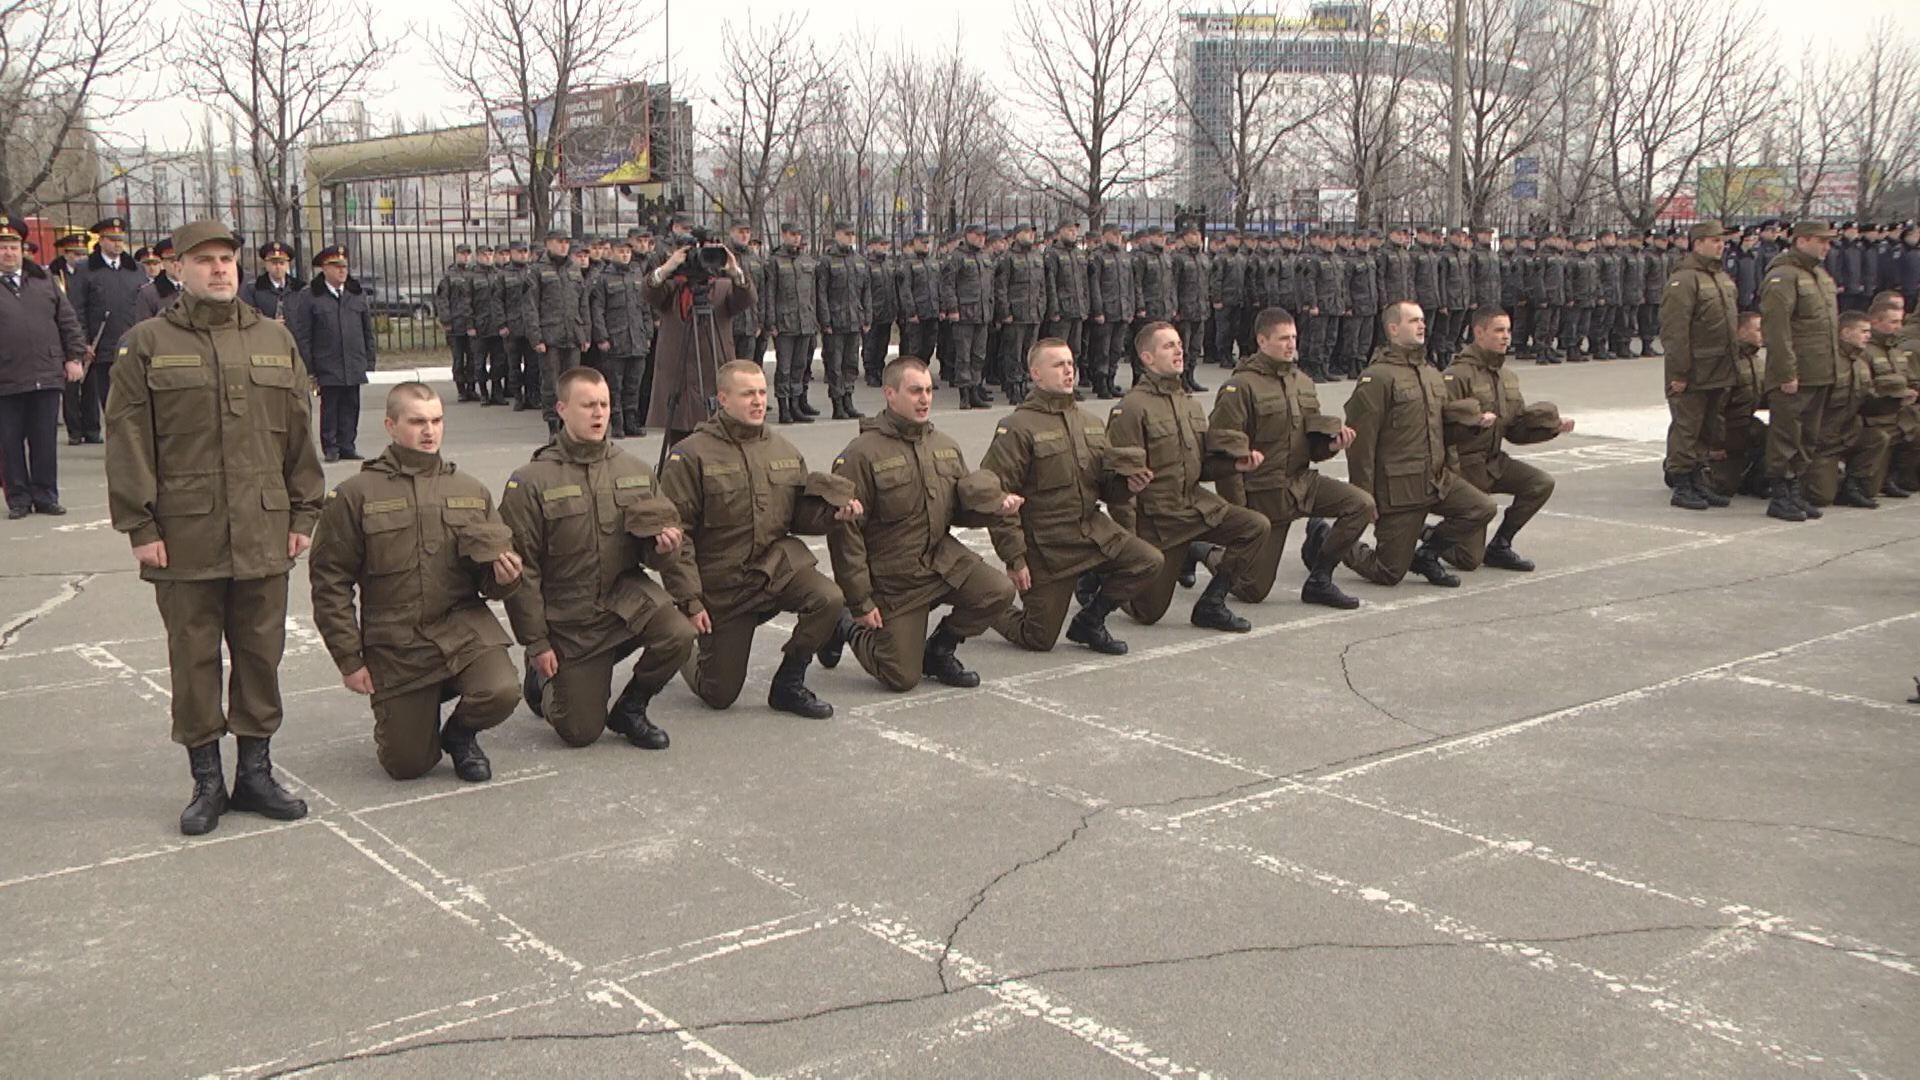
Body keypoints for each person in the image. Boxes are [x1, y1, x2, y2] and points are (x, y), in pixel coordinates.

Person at [105, 219, 327, 836]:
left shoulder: (274, 338)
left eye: (227, 258)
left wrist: (305, 511)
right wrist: (139, 525)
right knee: (194, 658)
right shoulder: (145, 343)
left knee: (260, 654)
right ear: (178, 270)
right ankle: (207, 781)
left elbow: (298, 433)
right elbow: (126, 439)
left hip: (262, 528)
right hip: (183, 535)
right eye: (204, 260)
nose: (220, 269)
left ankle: (255, 773)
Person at [308, 383, 522, 782]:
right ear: (390, 425)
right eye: (417, 421)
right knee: (407, 765)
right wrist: (349, 658)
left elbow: (489, 582)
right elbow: (329, 583)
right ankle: (415, 711)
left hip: (462, 630)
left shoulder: (471, 491)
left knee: (502, 690)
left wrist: (504, 579)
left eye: (437, 421)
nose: (430, 431)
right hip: (398, 643)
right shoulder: (355, 495)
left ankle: (460, 736)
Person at [500, 366, 696, 750]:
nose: (599, 413)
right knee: (580, 732)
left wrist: (663, 550)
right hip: (568, 615)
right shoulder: (531, 481)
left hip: (622, 599)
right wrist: (537, 642)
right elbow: (523, 573)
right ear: (562, 409)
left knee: (679, 633)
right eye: (588, 405)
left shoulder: (636, 471)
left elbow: (648, 552)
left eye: (604, 404)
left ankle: (631, 708)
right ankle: (544, 680)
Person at [658, 360, 862, 716]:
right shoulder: (690, 456)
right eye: (747, 393)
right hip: (723, 586)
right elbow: (680, 537)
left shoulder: (782, 449)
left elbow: (796, 515)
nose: (757, 401)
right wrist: (689, 600)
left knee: (827, 598)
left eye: (762, 393)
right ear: (722, 399)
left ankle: (789, 683)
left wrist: (832, 515)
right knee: (718, 694)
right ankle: (682, 646)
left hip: (773, 569)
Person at [819, 356, 1021, 692]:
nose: (925, 398)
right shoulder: (861, 454)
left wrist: (994, 508)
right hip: (895, 576)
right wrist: (859, 602)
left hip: (942, 561)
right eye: (915, 391)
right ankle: (843, 626)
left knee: (998, 592)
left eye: (928, 390)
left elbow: (959, 510)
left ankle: (940, 650)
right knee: (900, 677)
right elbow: (845, 535)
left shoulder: (943, 446)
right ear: (889, 394)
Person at [983, 339, 1162, 654]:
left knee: (1148, 561)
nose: (1069, 371)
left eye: (1070, 364)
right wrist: (1014, 558)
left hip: (1091, 531)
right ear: (1036, 375)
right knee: (1038, 638)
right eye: (1058, 365)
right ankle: (984, 606)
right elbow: (999, 499)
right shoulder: (1016, 428)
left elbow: (1105, 485)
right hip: (1046, 545)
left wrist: (1126, 487)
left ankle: (1090, 621)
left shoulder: (1090, 424)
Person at [1105, 322, 1270, 632]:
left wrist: (1235, 466)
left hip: (1195, 508)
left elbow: (1201, 466)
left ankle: (1212, 603)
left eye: (1179, 344)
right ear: (1147, 358)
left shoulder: (1188, 403)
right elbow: (1119, 483)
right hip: (1158, 521)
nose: (1179, 350)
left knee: (1255, 527)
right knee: (1148, 613)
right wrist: (1129, 543)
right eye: (1168, 346)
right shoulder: (1131, 409)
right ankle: (1098, 574)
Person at [1210, 307, 1373, 609]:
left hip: (1302, 483)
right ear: (1261, 340)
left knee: (1361, 504)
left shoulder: (1303, 382)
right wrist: (1238, 512)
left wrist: (1333, 445)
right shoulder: (1241, 387)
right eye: (1283, 338)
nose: (1291, 345)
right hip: (1264, 493)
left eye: (1294, 338)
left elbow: (1313, 446)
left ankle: (1320, 579)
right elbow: (1223, 454)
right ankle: (1203, 551)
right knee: (1252, 589)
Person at [1342, 302, 1498, 587]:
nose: (1422, 325)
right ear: (1392, 328)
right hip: (1399, 489)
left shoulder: (1431, 373)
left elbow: (1443, 431)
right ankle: (1329, 541)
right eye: (1413, 321)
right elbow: (1360, 443)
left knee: (1482, 507)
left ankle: (1427, 553)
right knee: (1388, 572)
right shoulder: (1377, 377)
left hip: (1437, 479)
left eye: (1422, 320)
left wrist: (1455, 462)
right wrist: (1363, 496)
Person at [1436, 307, 1572, 572]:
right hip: (1464, 468)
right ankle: (1424, 533)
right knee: (1468, 560)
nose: (1506, 337)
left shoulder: (1507, 377)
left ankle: (1500, 545)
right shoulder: (1457, 375)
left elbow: (1515, 430)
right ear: (1479, 332)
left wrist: (1550, 428)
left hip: (1493, 462)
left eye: (1508, 330)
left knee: (1540, 483)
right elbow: (1440, 429)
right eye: (1499, 330)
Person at [0, 213, 87, 519]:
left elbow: (68, 321)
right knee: (8, 443)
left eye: (12, 246)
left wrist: (74, 357)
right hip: (6, 378)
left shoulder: (44, 280)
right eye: (1, 246)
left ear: (22, 248)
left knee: (44, 440)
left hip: (46, 374)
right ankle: (19, 499)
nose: (7, 252)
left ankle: (46, 495)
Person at [642, 231, 757, 447]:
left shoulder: (723, 286)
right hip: (679, 378)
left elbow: (747, 298)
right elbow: (649, 291)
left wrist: (735, 272)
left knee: (720, 443)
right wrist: (668, 267)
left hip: (713, 372)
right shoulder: (672, 287)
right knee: (680, 446)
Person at [1760, 221, 1841, 522]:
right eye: (1821, 241)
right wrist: (1785, 373)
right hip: (1795, 373)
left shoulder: (1819, 275)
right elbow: (1777, 330)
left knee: (1807, 434)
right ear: (1802, 240)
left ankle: (1795, 489)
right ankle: (1780, 493)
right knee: (1786, 434)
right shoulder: (1783, 276)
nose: (1826, 247)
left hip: (1820, 369)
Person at [1659, 220, 1741, 511]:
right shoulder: (1685, 280)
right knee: (1687, 427)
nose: (1721, 245)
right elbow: (1675, 331)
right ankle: (1681, 482)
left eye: (1722, 241)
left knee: (1708, 427)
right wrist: (1680, 373)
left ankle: (1698, 479)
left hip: (1720, 368)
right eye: (1714, 240)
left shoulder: (1720, 278)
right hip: (1693, 370)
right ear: (1698, 243)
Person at [1803, 309, 1913, 508]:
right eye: (1863, 331)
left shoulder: (1859, 364)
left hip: (1848, 432)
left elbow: (1866, 403)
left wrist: (1895, 400)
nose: (1868, 336)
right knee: (1820, 497)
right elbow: (1809, 405)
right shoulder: (1826, 362)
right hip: (1823, 439)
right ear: (1845, 333)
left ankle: (1852, 485)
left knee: (1878, 438)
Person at [288, 245, 375, 463]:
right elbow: (304, 334)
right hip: (327, 361)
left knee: (351, 405)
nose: (342, 271)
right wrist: (310, 366)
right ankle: (331, 447)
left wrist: (369, 359)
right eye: (336, 267)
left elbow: (366, 329)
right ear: (324, 269)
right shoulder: (311, 295)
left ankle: (348, 445)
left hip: (353, 360)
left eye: (344, 266)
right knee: (331, 406)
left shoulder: (356, 293)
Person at [67, 216, 144, 445]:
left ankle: (133, 439)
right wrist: (83, 342)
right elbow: (76, 309)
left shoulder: (135, 269)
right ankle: (115, 438)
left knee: (135, 396)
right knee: (109, 398)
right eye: (112, 239)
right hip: (101, 346)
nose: (117, 244)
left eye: (120, 239)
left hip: (133, 343)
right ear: (100, 241)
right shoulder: (85, 269)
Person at [588, 236, 652, 439]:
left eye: (627, 251)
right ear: (613, 252)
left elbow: (645, 307)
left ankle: (632, 422)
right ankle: (617, 424)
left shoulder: (637, 274)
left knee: (634, 384)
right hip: (616, 339)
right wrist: (602, 337)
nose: (625, 255)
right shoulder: (603, 277)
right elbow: (597, 311)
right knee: (615, 386)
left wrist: (648, 333)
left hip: (637, 339)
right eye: (621, 251)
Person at [1708, 311, 1772, 500]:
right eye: (1758, 329)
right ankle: (1683, 467)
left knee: (1775, 437)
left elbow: (1760, 396)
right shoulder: (1727, 362)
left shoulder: (1756, 361)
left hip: (1745, 424)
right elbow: (1715, 407)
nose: (1763, 334)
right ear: (1740, 332)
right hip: (1725, 430)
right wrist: (1715, 444)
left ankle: (1754, 476)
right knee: (1722, 487)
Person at [530, 229, 589, 433]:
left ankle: (568, 425)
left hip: (572, 335)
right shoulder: (537, 270)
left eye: (566, 242)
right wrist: (536, 337)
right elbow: (531, 306)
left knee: (572, 383)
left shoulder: (574, 269)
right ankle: (553, 426)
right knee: (551, 382)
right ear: (548, 244)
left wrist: (585, 334)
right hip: (550, 336)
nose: (564, 246)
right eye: (559, 242)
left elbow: (583, 304)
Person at [767, 223, 822, 423]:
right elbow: (770, 292)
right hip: (784, 322)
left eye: (799, 234)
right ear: (784, 235)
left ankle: (796, 405)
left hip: (805, 321)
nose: (796, 238)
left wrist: (815, 318)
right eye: (792, 234)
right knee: (785, 367)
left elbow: (813, 294)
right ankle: (784, 407)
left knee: (800, 365)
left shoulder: (807, 261)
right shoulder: (775, 261)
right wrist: (771, 321)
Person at [817, 222, 870, 419]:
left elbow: (866, 292)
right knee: (835, 364)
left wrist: (867, 316)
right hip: (835, 321)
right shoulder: (826, 261)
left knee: (851, 363)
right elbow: (821, 293)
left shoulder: (859, 261)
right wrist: (825, 320)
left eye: (852, 234)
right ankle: (837, 403)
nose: (850, 238)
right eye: (846, 234)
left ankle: (848, 399)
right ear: (837, 234)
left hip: (854, 319)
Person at [942, 224, 997, 409]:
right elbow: (948, 285)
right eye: (977, 235)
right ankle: (964, 394)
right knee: (963, 356)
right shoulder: (957, 257)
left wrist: (991, 309)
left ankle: (975, 389)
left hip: (982, 314)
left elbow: (990, 287)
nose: (981, 238)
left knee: (979, 355)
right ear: (967, 235)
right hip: (964, 313)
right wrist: (952, 308)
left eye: (983, 235)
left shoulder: (984, 256)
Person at [435, 244, 479, 401]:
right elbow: (442, 299)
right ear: (456, 255)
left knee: (473, 357)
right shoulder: (449, 275)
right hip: (455, 324)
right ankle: (461, 389)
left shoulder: (474, 274)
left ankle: (472, 387)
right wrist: (446, 320)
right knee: (459, 359)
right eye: (462, 254)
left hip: (471, 324)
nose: (465, 256)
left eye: (468, 254)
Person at [240, 240, 299, 322]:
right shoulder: (253, 289)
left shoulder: (299, 288)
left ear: (287, 265)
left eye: (282, 263)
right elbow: (247, 317)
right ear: (266, 265)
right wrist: (270, 324)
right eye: (274, 263)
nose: (278, 267)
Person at [131, 239, 182, 322]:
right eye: (172, 261)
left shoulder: (195, 288)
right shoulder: (149, 293)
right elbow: (144, 329)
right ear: (163, 263)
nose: (177, 265)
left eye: (180, 260)